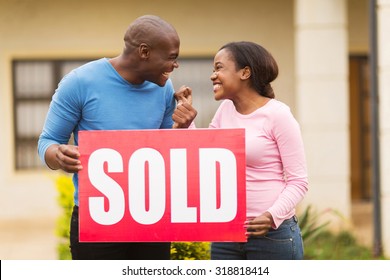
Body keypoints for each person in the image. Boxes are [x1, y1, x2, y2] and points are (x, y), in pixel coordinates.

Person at [37, 15, 197, 260]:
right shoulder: (79, 83)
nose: (175, 65)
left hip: (150, 215)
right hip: (97, 217)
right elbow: (47, 142)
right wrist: (58, 155)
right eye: (171, 57)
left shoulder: (164, 87)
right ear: (144, 51)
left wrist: (181, 127)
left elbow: (165, 152)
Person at [207, 41, 309, 259]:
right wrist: (187, 123)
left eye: (219, 68)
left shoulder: (278, 115)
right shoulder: (224, 110)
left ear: (245, 73)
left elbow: (299, 181)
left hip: (273, 236)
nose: (213, 75)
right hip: (227, 234)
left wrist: (272, 216)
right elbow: (206, 157)